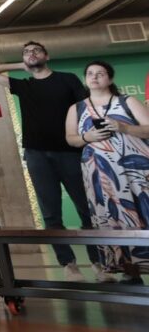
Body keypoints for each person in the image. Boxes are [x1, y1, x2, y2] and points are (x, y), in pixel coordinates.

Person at [0, 41, 102, 282]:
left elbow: (86, 108)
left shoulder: (66, 79)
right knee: (51, 213)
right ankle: (68, 264)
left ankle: (99, 262)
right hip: (37, 155)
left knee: (86, 209)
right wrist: (21, 65)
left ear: (46, 55)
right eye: (27, 52)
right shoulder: (23, 85)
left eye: (36, 50)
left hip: (70, 151)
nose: (31, 54)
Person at [65, 60, 149, 284]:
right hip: (101, 172)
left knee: (143, 212)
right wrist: (86, 137)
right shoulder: (77, 108)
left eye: (100, 73)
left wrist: (124, 127)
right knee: (112, 217)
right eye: (90, 73)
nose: (94, 77)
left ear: (110, 79)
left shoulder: (126, 101)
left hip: (136, 169)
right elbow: (70, 139)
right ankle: (129, 270)